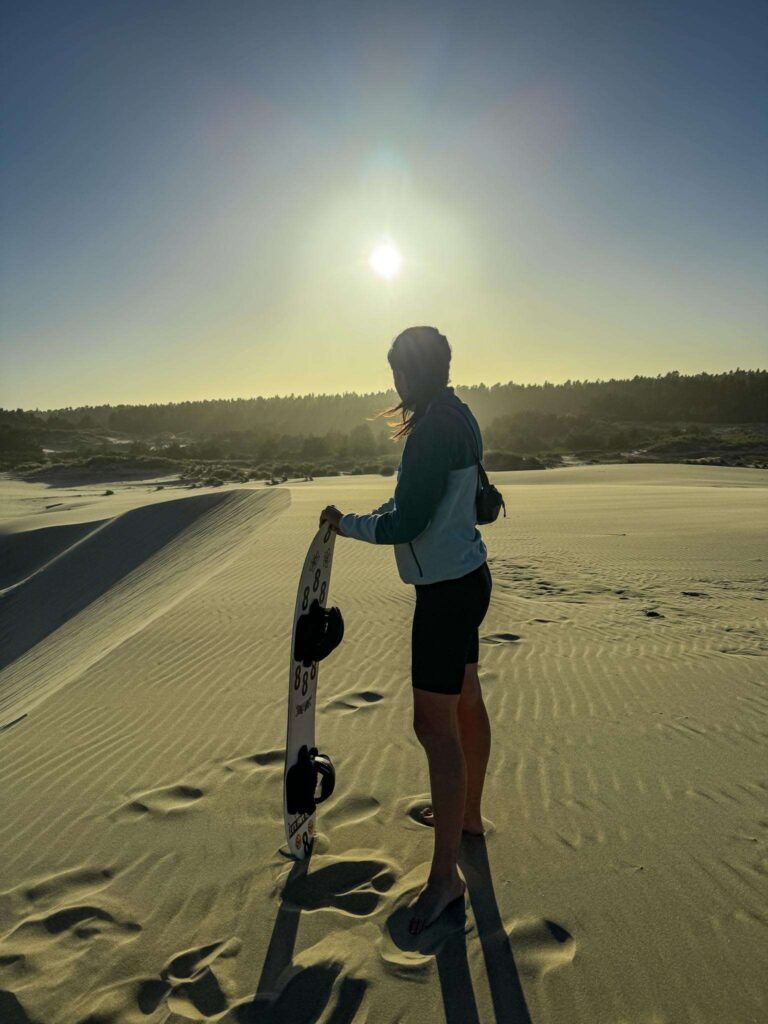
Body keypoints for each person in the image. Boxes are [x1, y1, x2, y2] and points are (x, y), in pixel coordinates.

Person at [319, 325, 493, 935]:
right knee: (466, 698)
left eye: (398, 370)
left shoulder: (430, 431)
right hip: (469, 575)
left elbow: (406, 521)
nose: (394, 381)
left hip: (445, 592)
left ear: (413, 372)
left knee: (432, 725)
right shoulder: (460, 414)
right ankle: (467, 819)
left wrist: (348, 525)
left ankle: (445, 877)